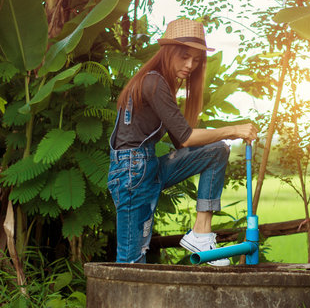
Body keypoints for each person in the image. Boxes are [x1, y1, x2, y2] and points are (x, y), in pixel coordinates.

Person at [107, 18, 258, 266]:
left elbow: (181, 140)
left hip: (147, 166)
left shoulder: (159, 83)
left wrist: (224, 136)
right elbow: (187, 138)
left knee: (216, 151)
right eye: (184, 57)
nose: (190, 65)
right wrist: (233, 129)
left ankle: (201, 233)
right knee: (131, 262)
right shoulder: (153, 82)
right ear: (168, 53)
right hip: (132, 173)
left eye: (196, 60)